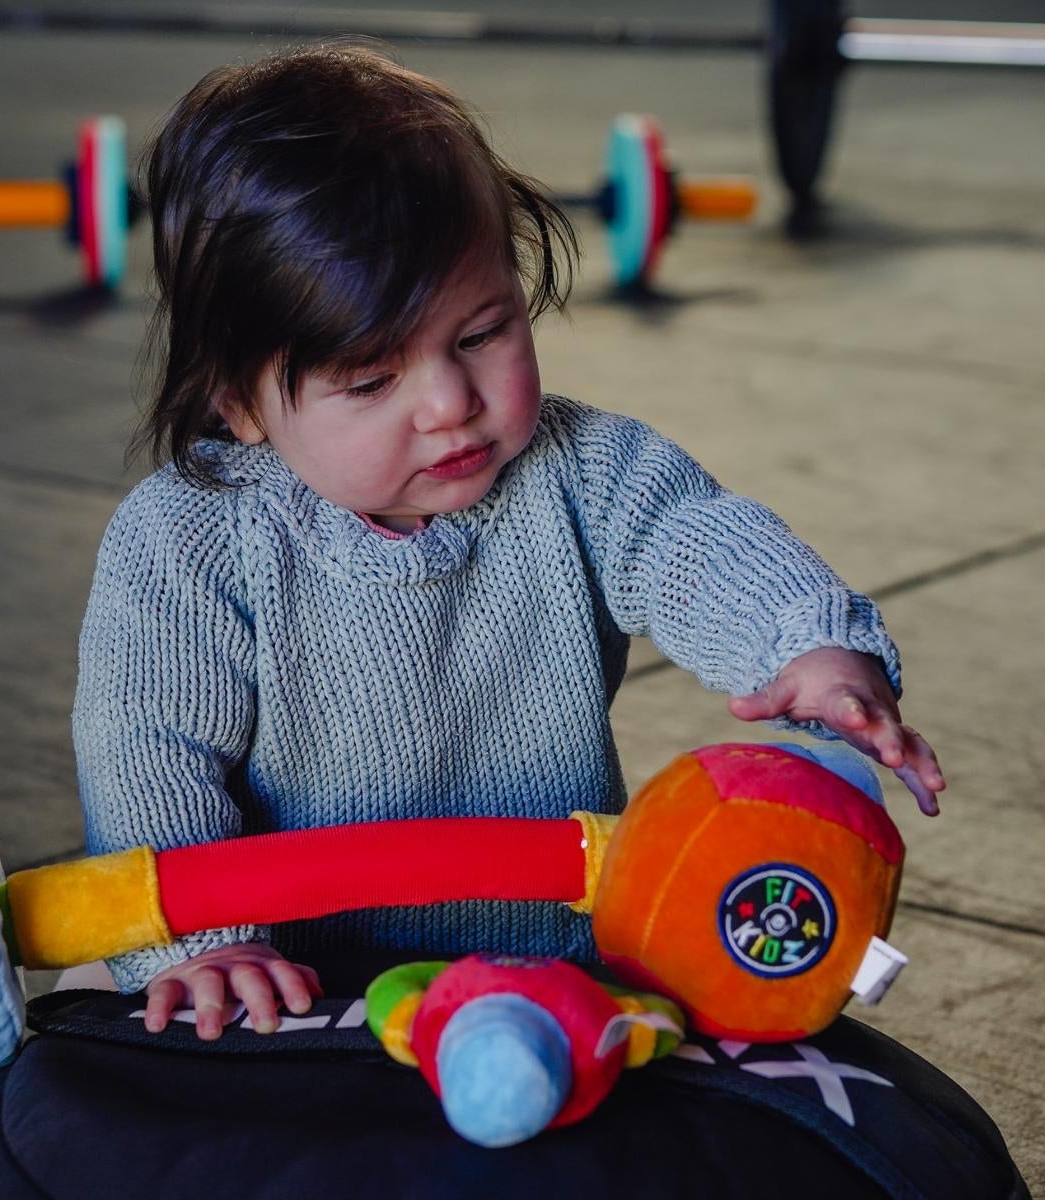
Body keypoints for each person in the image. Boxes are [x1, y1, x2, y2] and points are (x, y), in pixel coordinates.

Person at [69, 41, 945, 1044]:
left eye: (481, 333)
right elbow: (147, 752)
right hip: (295, 995)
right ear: (242, 403)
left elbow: (694, 540)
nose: (451, 402)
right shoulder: (188, 541)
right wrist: (203, 942)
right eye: (372, 380)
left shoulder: (579, 472)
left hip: (552, 972)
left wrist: (805, 646)